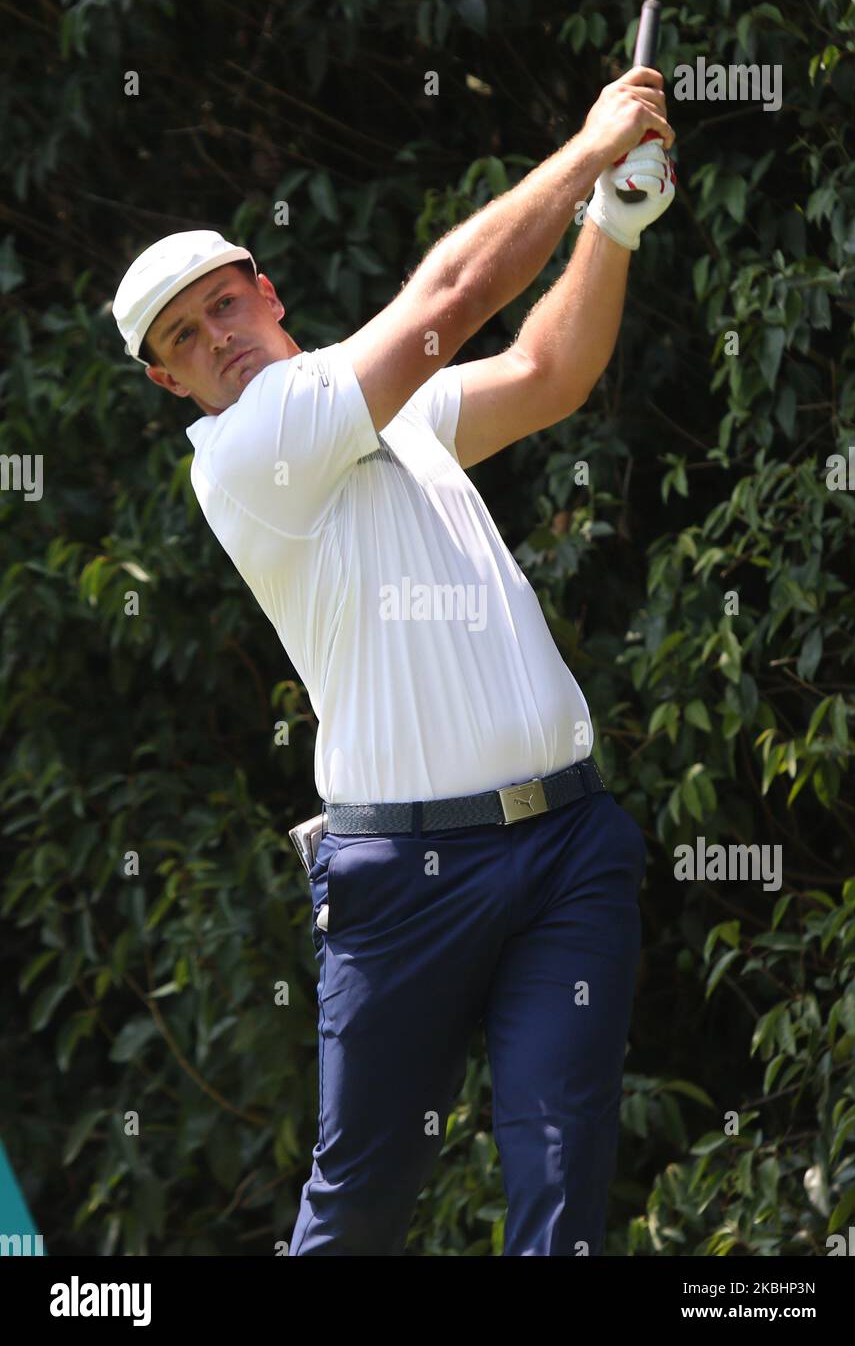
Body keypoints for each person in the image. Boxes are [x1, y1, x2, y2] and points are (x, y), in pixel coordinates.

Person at [112, 66, 676, 1256]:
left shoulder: (383, 410)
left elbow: (546, 375)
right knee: (362, 1207)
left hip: (566, 847)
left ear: (267, 296)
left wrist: (611, 226)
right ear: (171, 384)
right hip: (406, 876)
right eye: (184, 339)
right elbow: (456, 293)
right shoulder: (249, 449)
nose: (216, 339)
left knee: (561, 1178)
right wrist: (583, 154)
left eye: (222, 306)